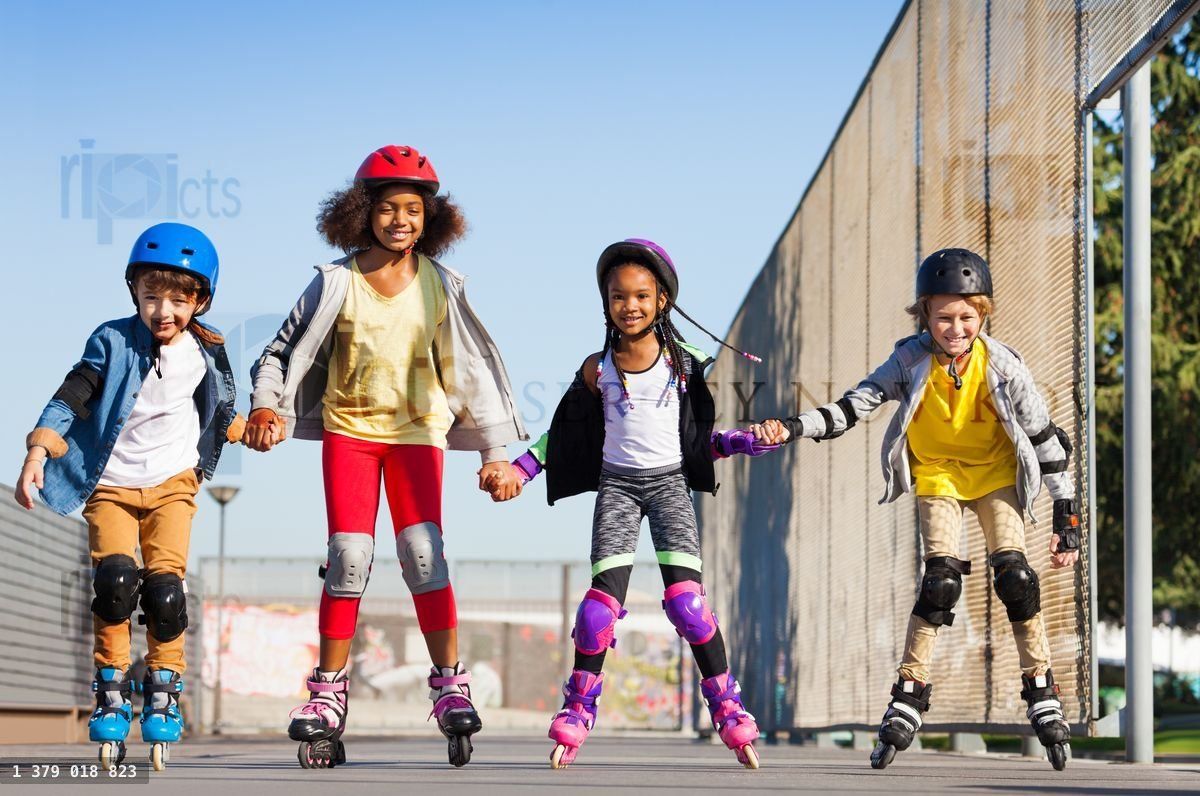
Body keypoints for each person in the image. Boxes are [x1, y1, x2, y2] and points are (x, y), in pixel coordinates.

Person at [243, 145, 526, 768]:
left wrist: (496, 452)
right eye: (389, 208)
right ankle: (327, 694)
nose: (401, 220)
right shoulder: (334, 281)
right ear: (362, 211)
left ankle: (450, 681)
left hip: (418, 434)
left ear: (432, 217)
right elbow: (280, 351)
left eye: (414, 210)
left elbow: (471, 372)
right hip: (350, 430)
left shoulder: (440, 286)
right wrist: (267, 406)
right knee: (349, 556)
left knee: (424, 555)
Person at [766, 248, 1080, 771]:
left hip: (997, 474)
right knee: (940, 581)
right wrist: (796, 427)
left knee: (1016, 577)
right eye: (943, 317)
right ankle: (911, 688)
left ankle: (1041, 683)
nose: (956, 329)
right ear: (924, 314)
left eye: (967, 317)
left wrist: (1065, 513)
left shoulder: (1003, 365)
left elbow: (1045, 437)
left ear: (983, 314)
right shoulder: (909, 360)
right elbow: (854, 405)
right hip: (937, 474)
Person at [490, 238, 784, 769]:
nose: (631, 305)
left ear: (663, 301)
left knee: (690, 607)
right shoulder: (594, 369)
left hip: (671, 485)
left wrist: (741, 441)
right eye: (619, 296)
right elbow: (563, 434)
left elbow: (699, 441)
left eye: (642, 296)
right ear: (606, 303)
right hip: (618, 488)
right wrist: (521, 470)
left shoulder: (686, 365)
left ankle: (728, 706)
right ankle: (579, 708)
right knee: (597, 611)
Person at [15, 222, 240, 771]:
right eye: (151, 296)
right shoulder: (111, 340)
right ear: (134, 293)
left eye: (178, 300)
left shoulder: (209, 348)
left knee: (165, 592)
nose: (163, 310)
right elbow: (73, 394)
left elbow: (222, 409)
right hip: (110, 484)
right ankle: (111, 686)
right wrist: (40, 449)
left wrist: (252, 429)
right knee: (114, 584)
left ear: (200, 300)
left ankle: (163, 689)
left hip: (174, 484)